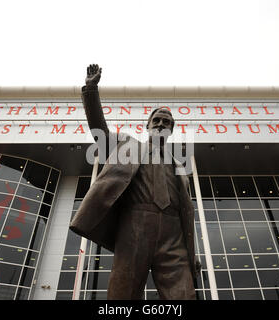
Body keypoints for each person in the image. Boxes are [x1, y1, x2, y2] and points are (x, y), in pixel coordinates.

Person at [70, 64, 199, 300]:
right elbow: (98, 128)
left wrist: (193, 252)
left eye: (166, 122)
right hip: (135, 225)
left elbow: (186, 211)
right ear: (147, 126)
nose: (161, 124)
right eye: (157, 120)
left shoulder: (179, 166)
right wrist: (91, 89)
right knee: (123, 295)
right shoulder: (126, 147)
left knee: (183, 295)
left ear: (171, 129)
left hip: (173, 234)